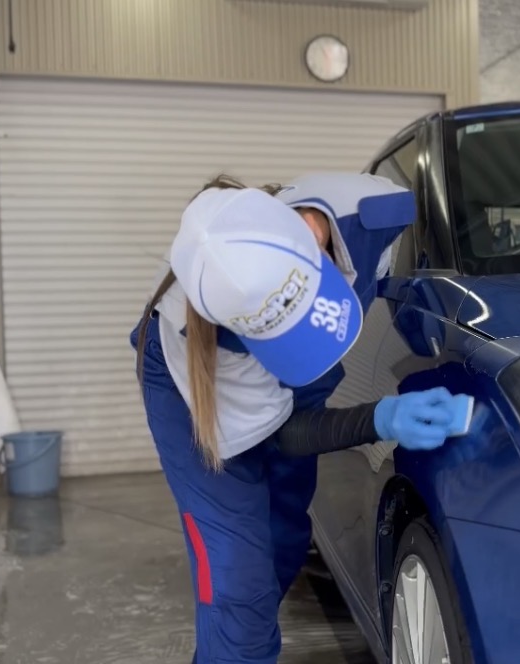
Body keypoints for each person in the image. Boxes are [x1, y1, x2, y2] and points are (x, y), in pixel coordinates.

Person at [129, 174, 465, 664]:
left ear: (309, 231)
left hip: (281, 358)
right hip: (198, 389)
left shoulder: (372, 208)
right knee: (238, 578)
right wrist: (380, 419)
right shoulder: (217, 339)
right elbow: (287, 436)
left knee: (285, 541)